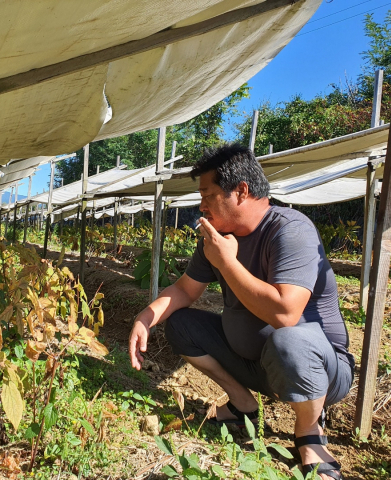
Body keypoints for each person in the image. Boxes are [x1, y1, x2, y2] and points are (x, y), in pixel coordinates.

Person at [128, 144, 353, 480]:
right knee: (180, 323)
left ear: (241, 191)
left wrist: (227, 262)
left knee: (289, 341)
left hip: (319, 369)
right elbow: (185, 291)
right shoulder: (216, 240)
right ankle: (241, 403)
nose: (201, 205)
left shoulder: (290, 230)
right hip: (256, 364)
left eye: (207, 194)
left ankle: (309, 433)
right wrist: (145, 317)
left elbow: (285, 314)